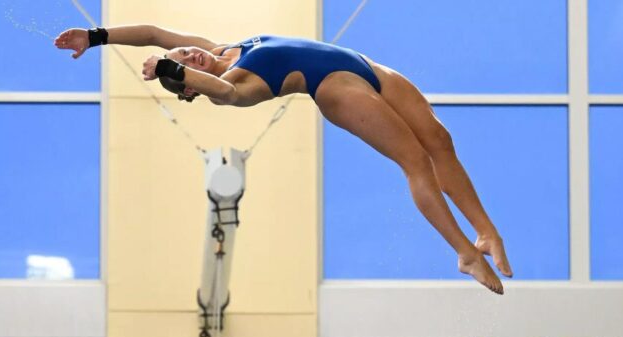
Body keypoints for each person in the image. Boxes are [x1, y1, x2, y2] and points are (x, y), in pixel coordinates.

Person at [54, 25, 513, 294]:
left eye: (183, 53)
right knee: (415, 160)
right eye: (184, 63)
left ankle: (485, 229)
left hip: (364, 65)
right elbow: (223, 91)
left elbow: (153, 33)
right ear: (190, 86)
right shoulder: (234, 86)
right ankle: (464, 252)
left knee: (439, 140)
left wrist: (95, 37)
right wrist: (169, 69)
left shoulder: (220, 48)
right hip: (335, 87)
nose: (189, 53)